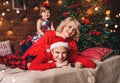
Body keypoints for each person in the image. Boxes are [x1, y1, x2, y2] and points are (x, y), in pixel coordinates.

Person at [22, 17, 96, 70]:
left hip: (48, 56)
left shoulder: (72, 42)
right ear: (64, 25)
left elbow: (73, 57)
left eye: (74, 30)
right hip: (36, 54)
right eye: (69, 27)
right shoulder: (50, 34)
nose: (70, 31)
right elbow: (35, 49)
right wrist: (23, 59)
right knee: (27, 44)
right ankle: (23, 44)